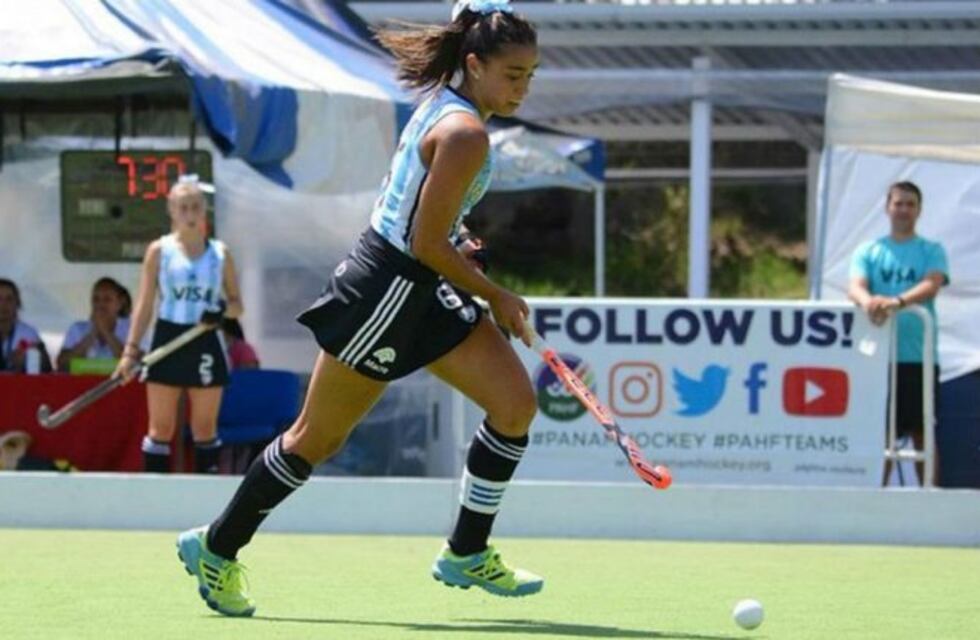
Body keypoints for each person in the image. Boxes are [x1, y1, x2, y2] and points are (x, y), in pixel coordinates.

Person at [175, 0, 540, 617]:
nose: (523, 88)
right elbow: (420, 241)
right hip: (388, 290)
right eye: (512, 75)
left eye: (531, 75)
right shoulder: (465, 132)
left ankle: (466, 551)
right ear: (474, 64)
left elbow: (423, 218)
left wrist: (460, 246)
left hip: (421, 282)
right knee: (316, 438)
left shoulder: (455, 110)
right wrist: (497, 295)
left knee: (514, 405)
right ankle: (218, 546)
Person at [113, 177, 243, 476]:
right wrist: (130, 351)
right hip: (168, 337)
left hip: (205, 339)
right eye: (183, 207)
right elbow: (145, 305)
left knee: (204, 427)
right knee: (161, 427)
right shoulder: (159, 251)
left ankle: (206, 500)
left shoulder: (220, 254)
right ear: (172, 211)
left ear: (204, 211)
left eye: (195, 207)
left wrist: (221, 311)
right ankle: (155, 497)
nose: (190, 213)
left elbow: (239, 305)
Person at [848, 181, 949, 485]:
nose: (903, 210)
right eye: (898, 203)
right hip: (877, 357)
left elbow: (932, 282)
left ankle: (928, 499)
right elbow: (856, 286)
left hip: (918, 356)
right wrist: (870, 304)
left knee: (922, 432)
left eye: (910, 204)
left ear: (919, 210)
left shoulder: (931, 250)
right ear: (887, 208)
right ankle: (877, 505)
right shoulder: (869, 250)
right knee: (880, 433)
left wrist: (897, 302)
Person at [57, 277, 132, 372]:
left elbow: (135, 364)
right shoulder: (77, 329)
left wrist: (106, 332)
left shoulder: (132, 329)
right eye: (96, 299)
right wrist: (92, 334)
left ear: (120, 303)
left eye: (107, 299)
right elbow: (62, 365)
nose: (100, 304)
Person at [0, 278, 53, 373]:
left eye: (9, 299)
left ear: (17, 303)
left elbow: (47, 369)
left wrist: (30, 358)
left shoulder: (28, 333)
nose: (4, 305)